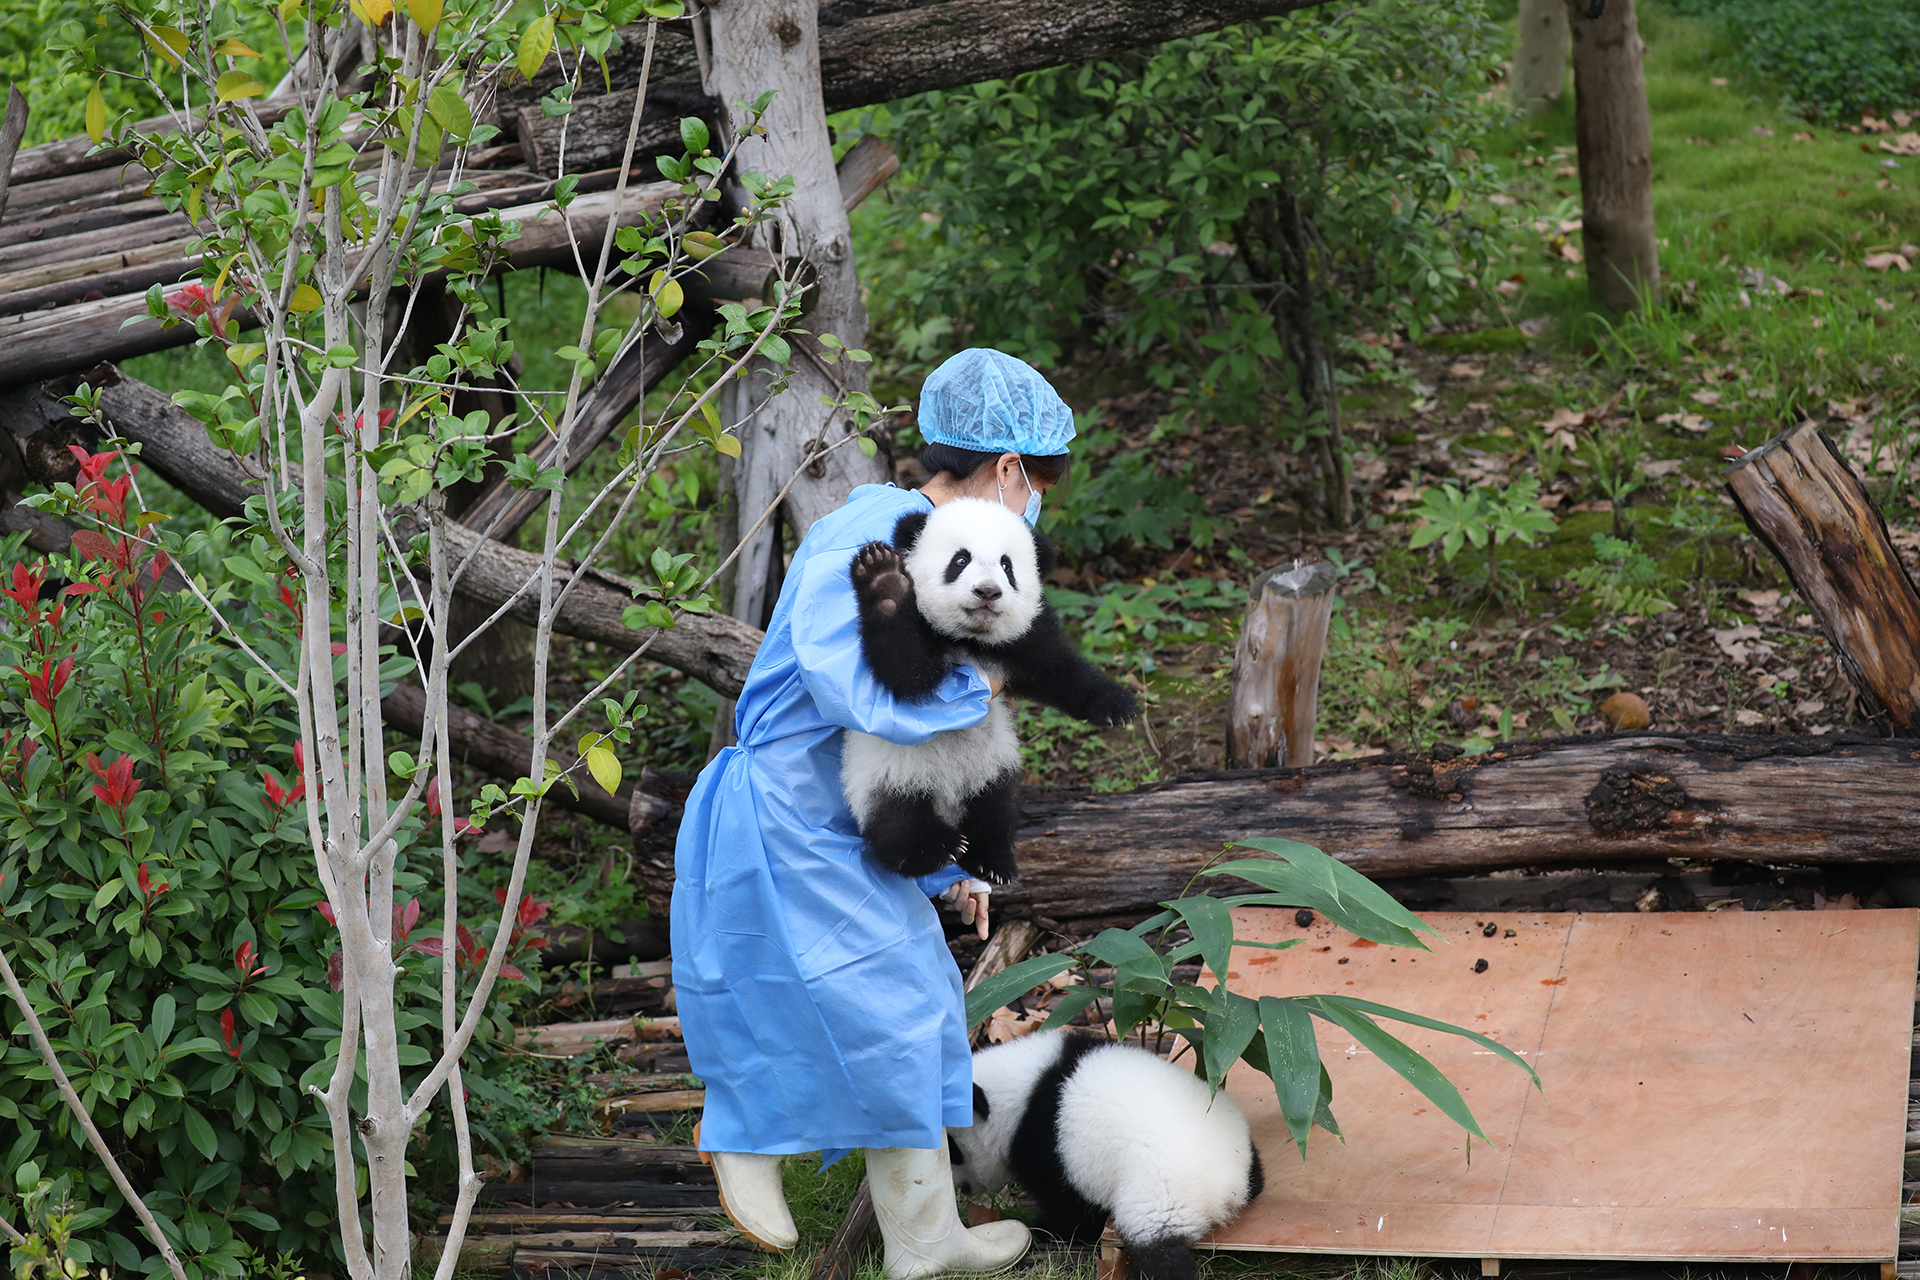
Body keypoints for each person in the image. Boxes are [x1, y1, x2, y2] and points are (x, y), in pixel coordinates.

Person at [671, 348, 1075, 1279]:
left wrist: (951, 863)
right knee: (841, 1003)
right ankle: (746, 1141)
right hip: (783, 820)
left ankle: (926, 1239)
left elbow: (903, 759)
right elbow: (847, 686)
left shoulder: (943, 554)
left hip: (840, 819)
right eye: (1038, 486)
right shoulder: (874, 536)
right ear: (1009, 470)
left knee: (916, 1006)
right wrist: (976, 686)